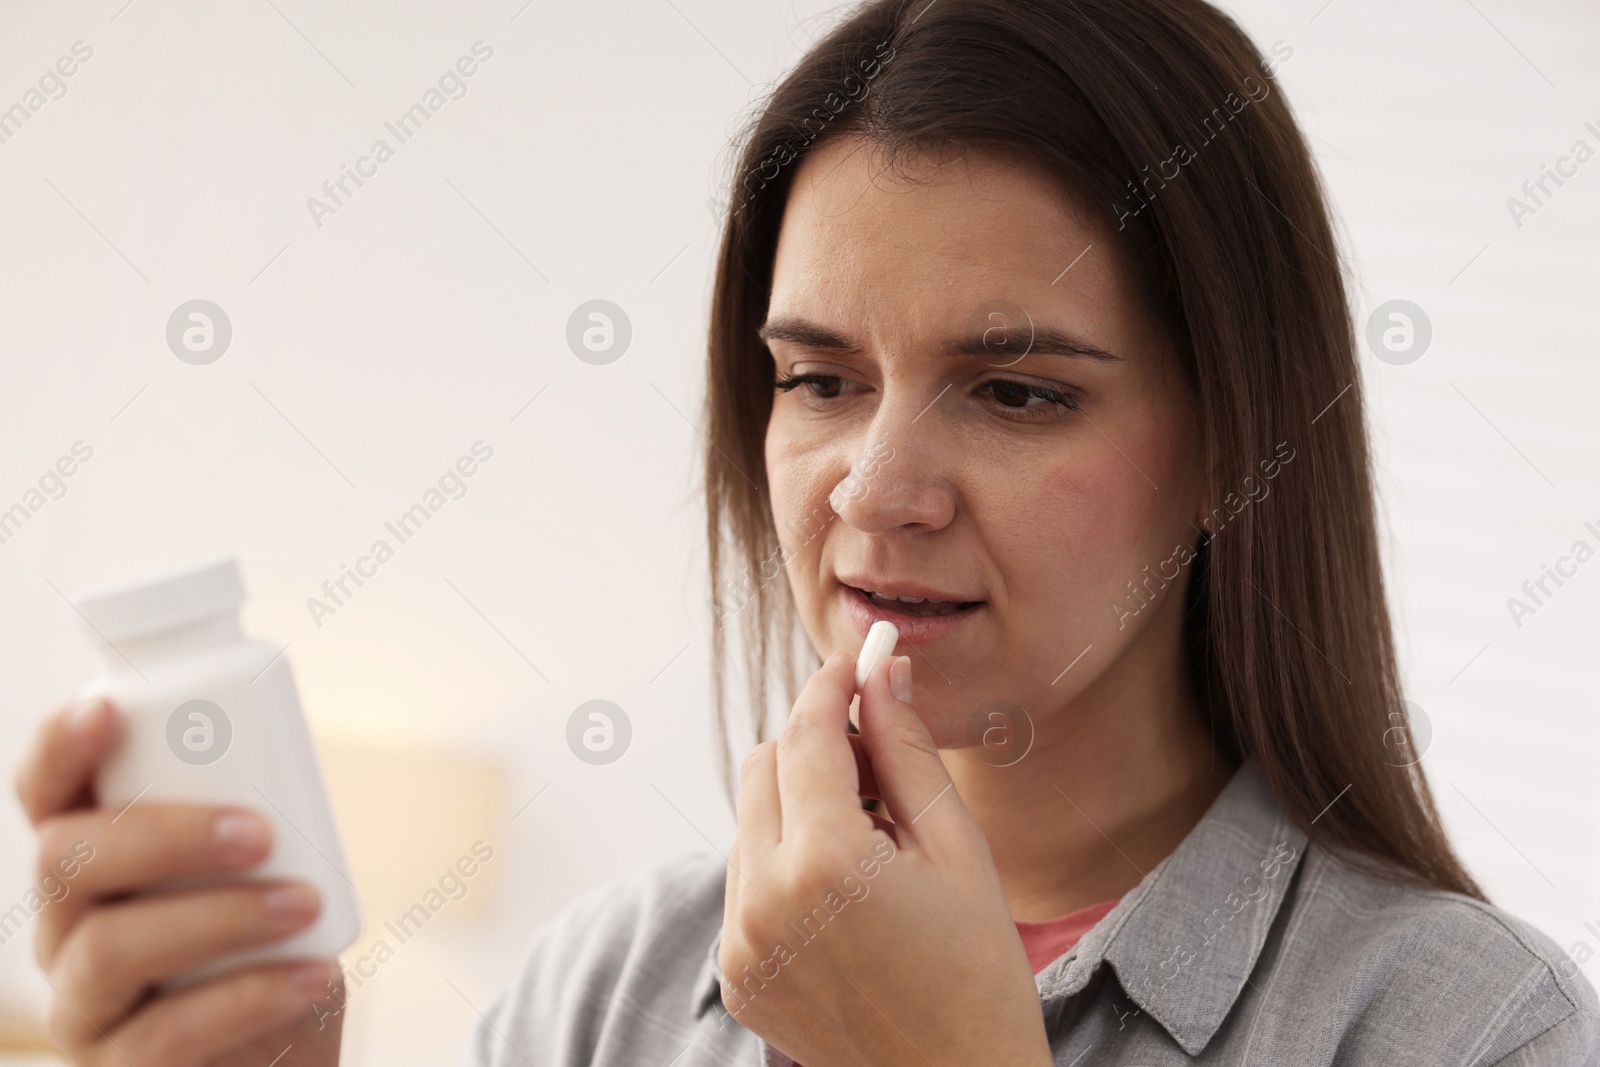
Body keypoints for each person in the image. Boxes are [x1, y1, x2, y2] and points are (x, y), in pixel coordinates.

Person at [17, 0, 1599, 1064]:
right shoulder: (607, 991)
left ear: (1235, 444)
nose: (870, 488)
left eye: (1019, 393)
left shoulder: (1470, 1029)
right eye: (818, 379)